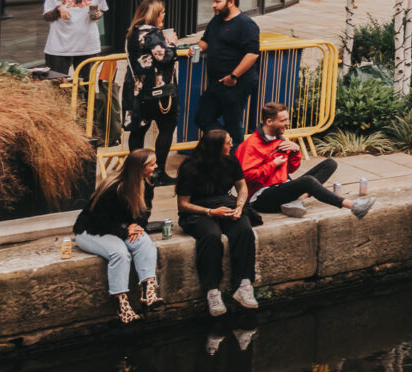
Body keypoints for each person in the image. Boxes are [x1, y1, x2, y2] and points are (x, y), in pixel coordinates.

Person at [174, 128, 260, 318]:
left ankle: (243, 284)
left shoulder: (230, 161)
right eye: (228, 143)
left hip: (226, 203)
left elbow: (242, 186)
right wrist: (211, 212)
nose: (231, 145)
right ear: (216, 147)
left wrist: (239, 206)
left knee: (244, 230)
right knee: (211, 236)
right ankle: (212, 290)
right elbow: (183, 204)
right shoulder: (190, 167)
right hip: (200, 209)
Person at [237, 103, 374, 220]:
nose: (287, 123)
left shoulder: (279, 139)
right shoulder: (251, 145)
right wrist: (273, 164)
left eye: (287, 119)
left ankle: (299, 198)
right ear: (269, 122)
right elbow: (245, 176)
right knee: (308, 181)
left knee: (330, 164)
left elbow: (290, 169)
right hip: (261, 197)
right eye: (283, 121)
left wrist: (296, 152)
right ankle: (353, 206)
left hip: (282, 186)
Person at [72, 148, 161, 323]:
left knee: (144, 242)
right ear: (139, 168)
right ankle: (122, 305)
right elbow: (98, 221)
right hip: (91, 231)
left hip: (119, 228)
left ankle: (148, 291)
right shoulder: (114, 187)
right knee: (120, 253)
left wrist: (137, 225)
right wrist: (125, 230)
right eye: (152, 164)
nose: (156, 167)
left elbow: (145, 212)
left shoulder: (147, 183)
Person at [122, 0, 181, 183]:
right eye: (162, 12)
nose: (164, 15)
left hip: (136, 90)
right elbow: (165, 56)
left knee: (139, 131)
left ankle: (136, 173)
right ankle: (158, 172)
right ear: (155, 15)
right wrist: (171, 43)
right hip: (157, 90)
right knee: (167, 126)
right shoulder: (152, 33)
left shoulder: (133, 32)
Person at [197, 0, 264, 137]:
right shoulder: (216, 20)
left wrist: (234, 76)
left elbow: (252, 54)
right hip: (216, 81)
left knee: (233, 122)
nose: (214, 5)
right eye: (213, 1)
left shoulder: (246, 24)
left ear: (231, 2)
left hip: (236, 82)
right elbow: (206, 41)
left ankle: (234, 155)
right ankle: (225, 143)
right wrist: (196, 48)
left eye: (218, 1)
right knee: (203, 117)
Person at [42, 0, 109, 76]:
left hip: (87, 45)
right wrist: (59, 9)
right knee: (57, 86)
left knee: (86, 86)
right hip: (60, 46)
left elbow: (102, 8)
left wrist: (98, 13)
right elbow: (46, 16)